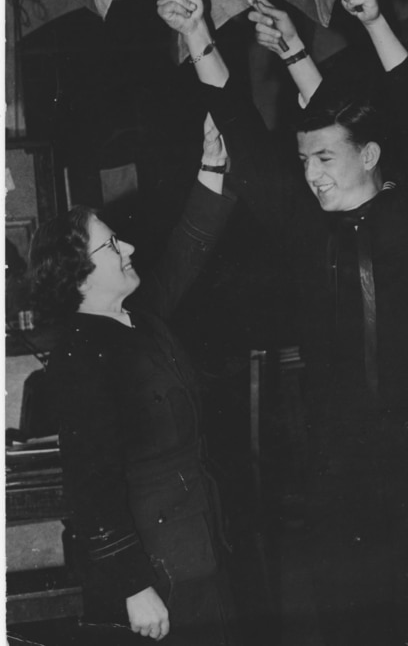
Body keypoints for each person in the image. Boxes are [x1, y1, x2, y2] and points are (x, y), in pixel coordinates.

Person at [157, 0, 408, 646]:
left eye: (326, 158)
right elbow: (238, 126)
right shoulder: (305, 230)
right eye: (304, 162)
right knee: (350, 613)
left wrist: (371, 18)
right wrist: (199, 30)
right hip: (338, 455)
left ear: (372, 155)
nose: (312, 174)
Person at [29, 99, 239, 644]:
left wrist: (211, 166)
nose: (128, 246)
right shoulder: (79, 359)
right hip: (158, 569)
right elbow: (91, 484)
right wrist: (133, 585)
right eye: (110, 244)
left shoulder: (137, 320)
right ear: (78, 276)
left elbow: (186, 253)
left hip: (198, 540)